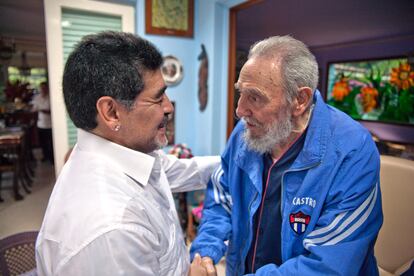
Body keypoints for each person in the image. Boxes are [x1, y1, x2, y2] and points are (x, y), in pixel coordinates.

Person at [190, 35, 383, 275]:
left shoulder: (353, 151)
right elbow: (222, 199)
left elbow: (326, 265)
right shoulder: (245, 133)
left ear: (300, 100)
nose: (239, 111)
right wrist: (206, 252)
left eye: (255, 97)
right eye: (241, 93)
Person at [35, 31, 219, 276]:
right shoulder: (113, 231)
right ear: (111, 112)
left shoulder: (127, 151)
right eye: (157, 98)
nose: (168, 107)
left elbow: (183, 170)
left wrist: (240, 158)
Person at [31, 81, 54, 163]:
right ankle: (45, 156)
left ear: (47, 89)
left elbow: (52, 111)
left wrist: (42, 110)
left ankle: (52, 158)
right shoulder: (37, 98)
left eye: (44, 88)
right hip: (40, 124)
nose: (43, 90)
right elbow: (34, 109)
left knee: (51, 142)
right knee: (43, 142)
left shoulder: (51, 97)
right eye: (42, 88)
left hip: (50, 124)